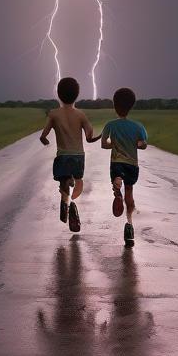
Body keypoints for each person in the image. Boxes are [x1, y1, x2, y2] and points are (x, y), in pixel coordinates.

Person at [40, 76, 100, 232]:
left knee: (63, 182)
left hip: (62, 156)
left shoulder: (53, 114)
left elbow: (44, 134)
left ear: (58, 94)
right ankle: (73, 201)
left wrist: (44, 140)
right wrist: (93, 133)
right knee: (78, 181)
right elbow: (89, 135)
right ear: (77, 95)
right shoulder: (80, 114)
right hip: (78, 156)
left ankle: (65, 201)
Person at [100, 87, 148, 246]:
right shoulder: (138, 126)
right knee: (130, 192)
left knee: (118, 179)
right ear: (131, 106)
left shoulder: (110, 125)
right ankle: (129, 224)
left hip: (116, 162)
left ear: (114, 106)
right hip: (132, 165)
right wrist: (137, 144)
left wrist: (113, 144)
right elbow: (143, 145)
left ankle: (116, 185)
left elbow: (104, 145)